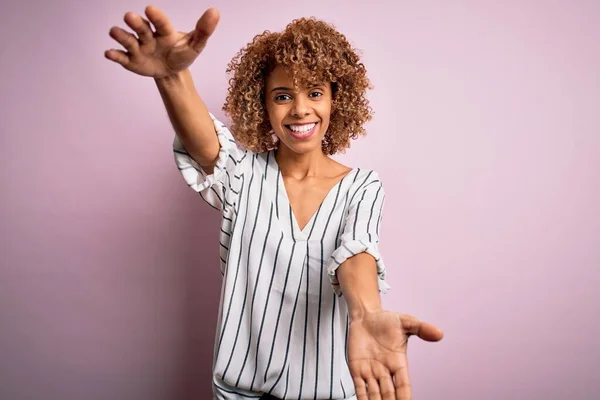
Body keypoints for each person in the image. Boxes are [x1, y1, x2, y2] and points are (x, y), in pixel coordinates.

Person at [105, 5, 444, 400]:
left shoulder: (361, 186)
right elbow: (206, 146)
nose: (301, 109)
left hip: (333, 392)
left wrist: (367, 315)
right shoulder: (243, 176)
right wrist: (171, 75)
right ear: (262, 105)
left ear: (337, 99)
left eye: (315, 92)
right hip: (240, 394)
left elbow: (357, 254)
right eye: (283, 96)